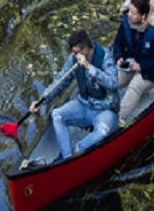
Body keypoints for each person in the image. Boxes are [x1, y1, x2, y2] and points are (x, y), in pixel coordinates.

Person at [29, 28, 118, 159]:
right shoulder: (74, 59)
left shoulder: (105, 57)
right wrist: (42, 100)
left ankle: (78, 149)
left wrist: (89, 67)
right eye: (73, 52)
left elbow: (112, 83)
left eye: (76, 52)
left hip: (105, 109)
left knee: (102, 131)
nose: (74, 55)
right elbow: (61, 80)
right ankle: (67, 157)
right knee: (57, 115)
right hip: (84, 104)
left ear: (85, 49)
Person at [111, 0, 154, 124]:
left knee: (135, 86)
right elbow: (118, 43)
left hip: (151, 72)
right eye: (129, 11)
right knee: (114, 81)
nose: (129, 15)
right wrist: (119, 57)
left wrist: (142, 66)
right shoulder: (126, 22)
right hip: (131, 64)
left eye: (133, 13)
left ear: (143, 16)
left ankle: (120, 117)